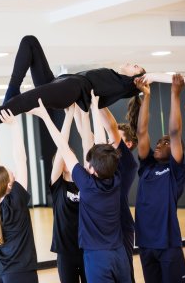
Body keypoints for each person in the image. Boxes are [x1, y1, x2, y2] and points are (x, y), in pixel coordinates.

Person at [0, 35, 185, 135]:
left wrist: (181, 78)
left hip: (73, 90)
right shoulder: (112, 74)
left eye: (137, 66)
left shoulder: (126, 84)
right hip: (59, 82)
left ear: (136, 78)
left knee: (24, 101)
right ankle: (10, 93)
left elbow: (158, 76)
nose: (132, 63)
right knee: (30, 42)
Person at [29, 97, 133, 283]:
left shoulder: (87, 184)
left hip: (98, 257)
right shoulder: (115, 178)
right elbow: (98, 144)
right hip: (119, 253)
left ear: (92, 169)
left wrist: (46, 116)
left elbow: (64, 146)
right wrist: (92, 106)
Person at [134, 74, 185, 283]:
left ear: (177, 150)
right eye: (158, 142)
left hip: (168, 245)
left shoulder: (176, 171)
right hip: (146, 245)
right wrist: (146, 95)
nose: (159, 144)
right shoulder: (147, 167)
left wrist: (175, 94)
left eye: (165, 143)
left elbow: (174, 132)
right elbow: (141, 132)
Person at [0, 109, 38, 283]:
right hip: (20, 272)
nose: (13, 172)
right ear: (8, 184)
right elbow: (21, 159)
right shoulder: (16, 200)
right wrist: (15, 126)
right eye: (11, 174)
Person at [98, 107, 138, 283]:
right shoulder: (107, 162)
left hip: (122, 225)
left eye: (116, 139)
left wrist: (98, 103)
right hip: (107, 225)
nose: (109, 141)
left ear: (127, 144)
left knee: (125, 273)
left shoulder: (128, 162)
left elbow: (111, 128)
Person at [48, 104, 87, 283]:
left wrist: (79, 113)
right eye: (62, 156)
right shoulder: (58, 185)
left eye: (69, 153)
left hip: (87, 249)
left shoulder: (86, 180)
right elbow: (61, 146)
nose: (66, 156)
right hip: (65, 253)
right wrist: (69, 115)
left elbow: (89, 139)